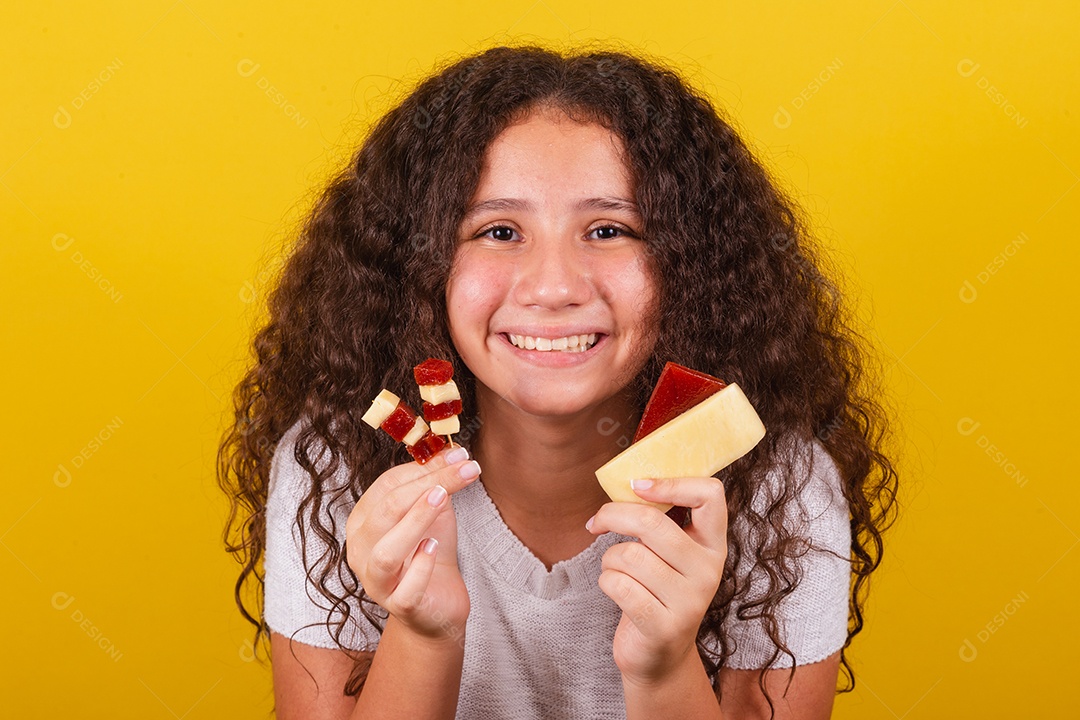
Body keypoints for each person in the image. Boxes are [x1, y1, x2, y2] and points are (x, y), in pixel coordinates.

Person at [218, 44, 898, 720]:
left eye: (608, 229)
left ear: (690, 266)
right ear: (419, 267)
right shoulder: (333, 470)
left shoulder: (778, 488)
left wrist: (663, 665)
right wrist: (425, 632)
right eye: (498, 230)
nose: (552, 287)